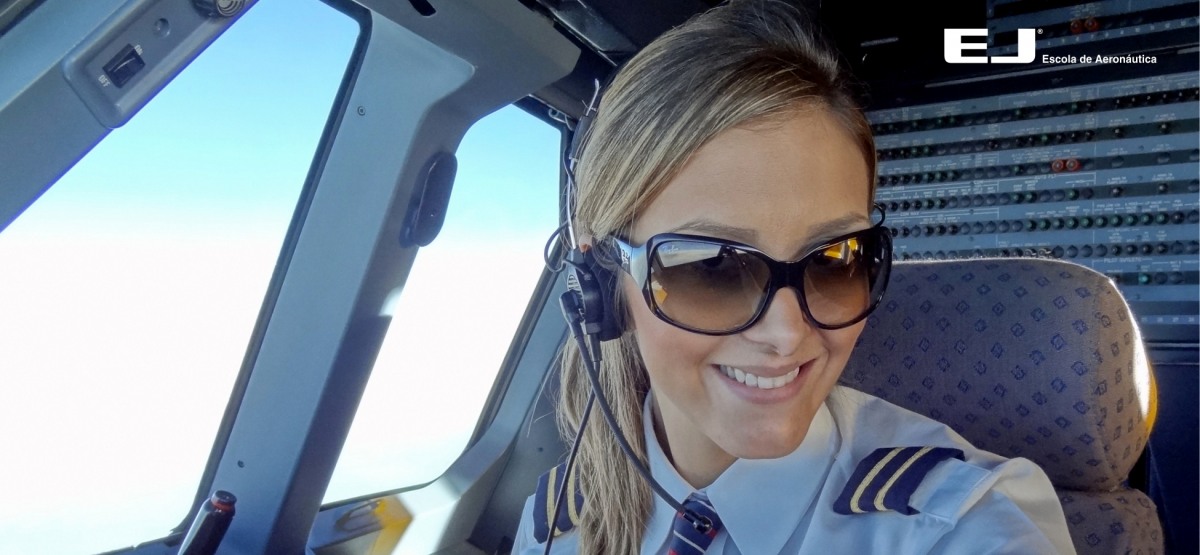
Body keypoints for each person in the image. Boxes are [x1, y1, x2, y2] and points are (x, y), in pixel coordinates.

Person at [513, 1, 1076, 553]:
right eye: (712, 266)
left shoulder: (957, 525)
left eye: (835, 260)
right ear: (600, 283)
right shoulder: (557, 526)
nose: (787, 335)